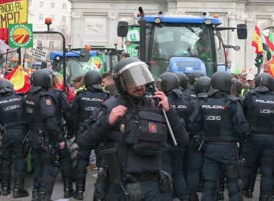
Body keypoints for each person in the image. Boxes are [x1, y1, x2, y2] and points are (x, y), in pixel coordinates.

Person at [77, 57, 188, 200]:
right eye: (132, 82)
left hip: (153, 185)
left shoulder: (156, 106)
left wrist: (169, 111)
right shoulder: (110, 107)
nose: (139, 86)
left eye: (141, 81)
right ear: (121, 83)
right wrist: (108, 121)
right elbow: (84, 142)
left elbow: (182, 141)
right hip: (121, 186)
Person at [189, 71, 248, 201]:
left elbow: (193, 125)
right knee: (233, 185)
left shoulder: (203, 102)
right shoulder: (232, 103)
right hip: (229, 148)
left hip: (210, 148)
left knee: (209, 185)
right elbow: (242, 127)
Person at [241, 73, 274, 201]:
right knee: (267, 172)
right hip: (271, 140)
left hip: (252, 139)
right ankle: (265, 197)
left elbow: (241, 117)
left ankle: (239, 195)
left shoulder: (249, 96)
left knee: (246, 170)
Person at [25, 70, 66, 201]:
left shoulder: (29, 96)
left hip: (34, 136)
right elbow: (50, 121)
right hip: (45, 138)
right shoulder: (45, 98)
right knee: (49, 168)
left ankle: (36, 195)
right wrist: (60, 139)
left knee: (38, 167)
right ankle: (44, 197)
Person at [71, 70, 110, 200]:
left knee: (82, 161)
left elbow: (73, 116)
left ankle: (80, 191)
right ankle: (100, 193)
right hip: (101, 133)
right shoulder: (106, 96)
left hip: (85, 133)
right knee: (101, 164)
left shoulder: (80, 96)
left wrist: (76, 133)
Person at [0, 79, 29, 198]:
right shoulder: (20, 98)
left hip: (6, 134)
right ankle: (18, 189)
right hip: (20, 133)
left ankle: (5, 188)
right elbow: (27, 114)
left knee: (6, 160)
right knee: (19, 160)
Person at [157, 72, 191, 201]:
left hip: (165, 143)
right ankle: (184, 197)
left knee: (165, 174)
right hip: (181, 141)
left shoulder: (160, 100)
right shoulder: (186, 99)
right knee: (178, 172)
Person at [45, 69, 75, 198]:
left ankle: (41, 194)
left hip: (41, 133)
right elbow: (67, 113)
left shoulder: (32, 94)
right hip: (57, 132)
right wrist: (71, 130)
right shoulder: (58, 94)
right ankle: (68, 189)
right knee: (65, 160)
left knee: (44, 164)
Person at [187, 76, 211, 201]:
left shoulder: (191, 103)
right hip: (212, 141)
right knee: (212, 171)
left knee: (193, 170)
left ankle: (192, 196)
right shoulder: (215, 102)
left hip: (194, 140)